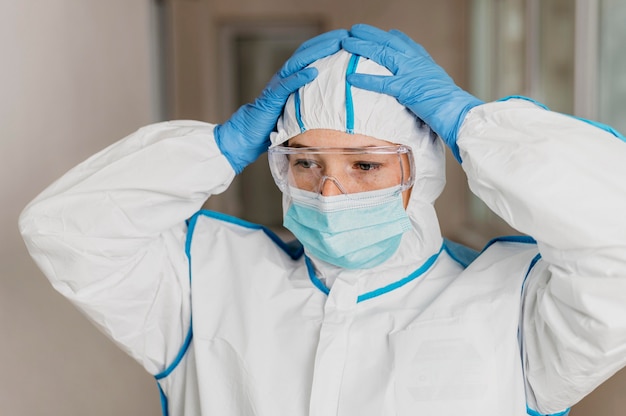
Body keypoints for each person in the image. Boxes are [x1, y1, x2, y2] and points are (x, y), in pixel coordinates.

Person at [19, 23, 626, 416]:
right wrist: (218, 149)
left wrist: (472, 125)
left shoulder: (516, 304)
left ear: (426, 172)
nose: (329, 191)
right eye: (305, 162)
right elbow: (66, 229)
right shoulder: (208, 281)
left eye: (365, 165)